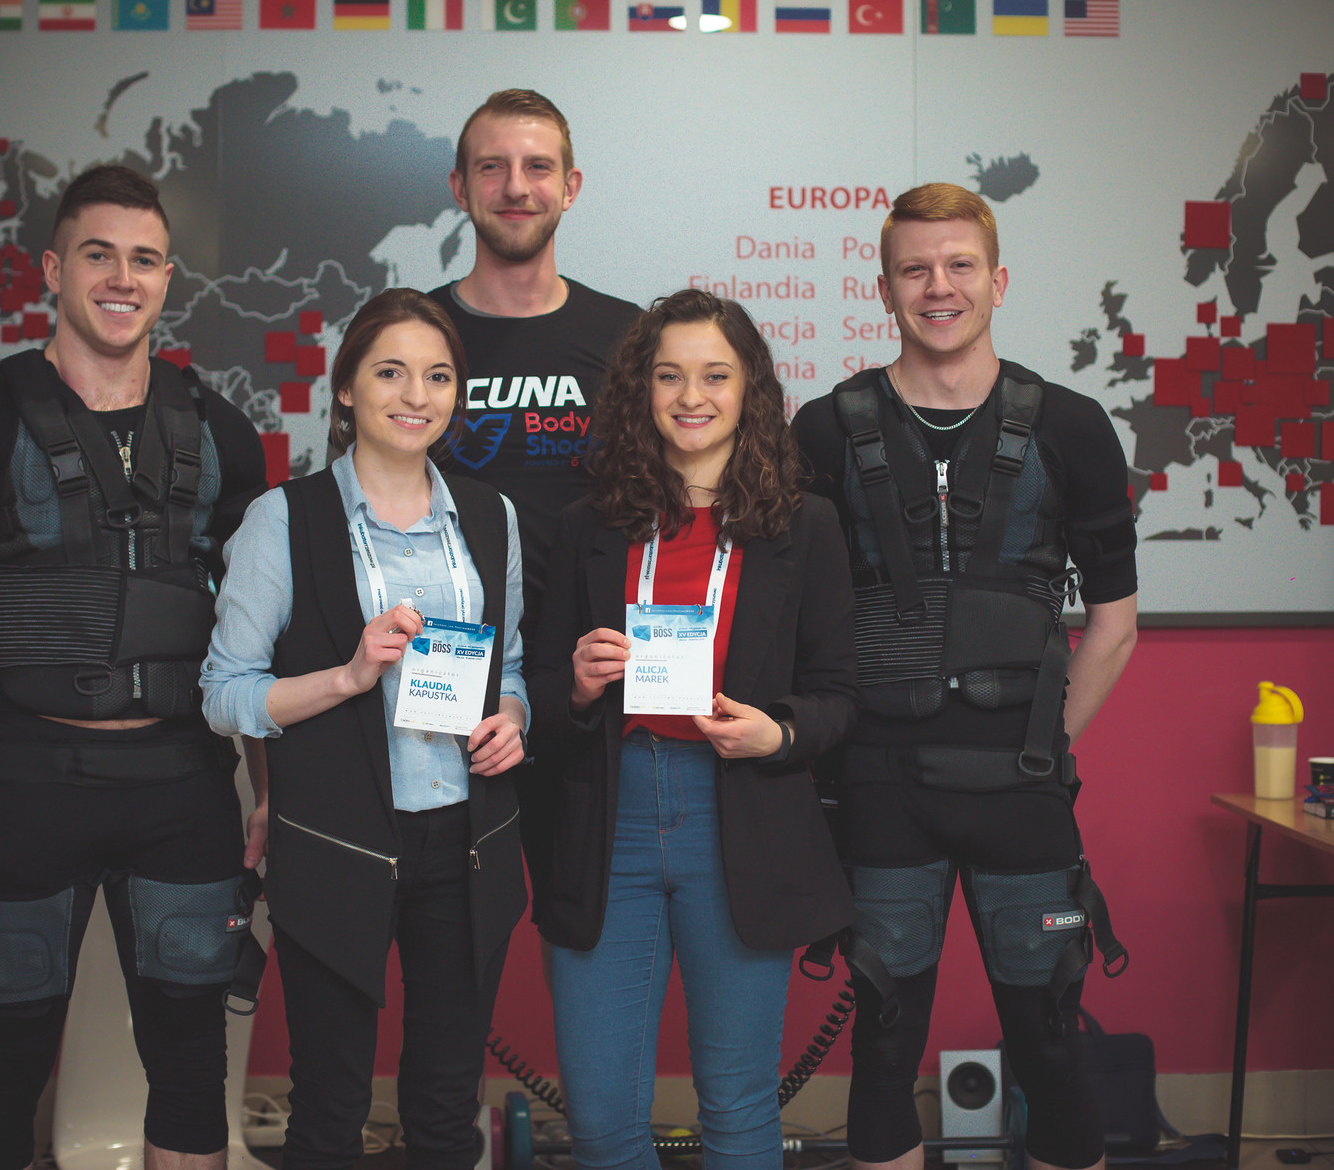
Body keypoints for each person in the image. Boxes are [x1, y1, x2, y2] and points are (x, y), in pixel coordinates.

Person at [0, 165, 269, 1170]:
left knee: (192, 1071)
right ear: (53, 269)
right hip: (25, 782)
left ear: (168, 278)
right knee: (0, 1074)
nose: (121, 278)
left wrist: (269, 790)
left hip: (185, 783)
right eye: (99, 255)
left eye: (144, 259)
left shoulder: (221, 435)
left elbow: (258, 631)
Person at [790, 183, 1139, 1170]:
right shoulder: (823, 431)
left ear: (997, 280)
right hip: (879, 789)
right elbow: (799, 618)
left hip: (1020, 794)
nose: (937, 287)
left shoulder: (1072, 426)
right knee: (881, 1051)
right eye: (914, 269)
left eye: (958, 267)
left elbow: (1114, 623)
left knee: (1053, 1047)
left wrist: (1040, 745)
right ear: (885, 287)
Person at [528, 289, 857, 1169]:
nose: (690, 396)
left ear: (750, 390)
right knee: (600, 1118)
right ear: (641, 390)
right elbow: (538, 690)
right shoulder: (589, 525)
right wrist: (577, 687)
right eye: (668, 375)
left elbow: (838, 692)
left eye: (715, 375)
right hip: (611, 818)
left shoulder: (804, 525)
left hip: (740, 816)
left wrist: (778, 734)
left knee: (740, 1109)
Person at [201, 288, 529, 1170]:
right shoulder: (283, 518)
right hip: (334, 844)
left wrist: (512, 716)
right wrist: (348, 677)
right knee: (329, 1109)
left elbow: (511, 666)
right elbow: (224, 694)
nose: (416, 395)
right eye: (390, 372)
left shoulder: (490, 517)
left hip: (466, 841)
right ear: (345, 388)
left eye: (437, 376)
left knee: (447, 1110)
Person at [431, 87, 640, 919]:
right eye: (492, 167)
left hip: (585, 678)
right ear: (459, 187)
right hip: (443, 673)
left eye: (537, 167)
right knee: (448, 929)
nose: (516, 186)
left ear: (570, 186)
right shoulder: (413, 335)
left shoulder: (626, 338)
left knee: (587, 922)